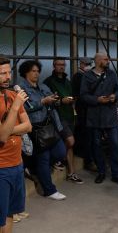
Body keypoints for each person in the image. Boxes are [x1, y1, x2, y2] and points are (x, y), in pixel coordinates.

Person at [18, 60, 67, 200]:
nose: (36, 74)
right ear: (26, 72)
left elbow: (52, 100)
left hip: (49, 125)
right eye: (33, 71)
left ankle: (33, 166)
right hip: (35, 129)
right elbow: (25, 108)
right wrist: (42, 102)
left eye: (38, 71)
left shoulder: (43, 86)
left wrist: (55, 99)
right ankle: (49, 190)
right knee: (43, 158)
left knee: (60, 152)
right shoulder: (21, 89)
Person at [80, 52, 118, 185]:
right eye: (106, 59)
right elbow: (83, 95)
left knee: (114, 145)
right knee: (97, 146)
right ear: (98, 60)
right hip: (94, 117)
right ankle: (101, 172)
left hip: (110, 116)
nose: (108, 61)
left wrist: (114, 96)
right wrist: (97, 99)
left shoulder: (111, 74)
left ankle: (116, 174)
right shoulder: (87, 76)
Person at [0, 56, 32, 233]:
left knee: (10, 213)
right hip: (1, 168)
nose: (7, 77)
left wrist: (7, 127)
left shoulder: (12, 95)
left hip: (16, 164)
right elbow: (2, 137)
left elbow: (28, 126)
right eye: (2, 73)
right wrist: (15, 108)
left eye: (8, 72)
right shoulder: (15, 101)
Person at [44, 58, 83, 184]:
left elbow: (72, 96)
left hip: (69, 115)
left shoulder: (67, 81)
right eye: (59, 64)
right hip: (58, 116)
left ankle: (71, 173)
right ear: (54, 66)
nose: (61, 67)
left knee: (70, 144)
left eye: (63, 64)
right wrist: (61, 101)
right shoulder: (49, 82)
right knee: (70, 141)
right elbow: (46, 100)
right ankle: (57, 157)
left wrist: (71, 101)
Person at [72, 57, 96, 172]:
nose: (87, 66)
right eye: (85, 64)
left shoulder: (87, 76)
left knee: (89, 135)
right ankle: (88, 160)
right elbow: (79, 94)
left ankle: (89, 158)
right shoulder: (78, 77)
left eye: (89, 64)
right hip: (82, 109)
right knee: (85, 135)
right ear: (81, 64)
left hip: (89, 109)